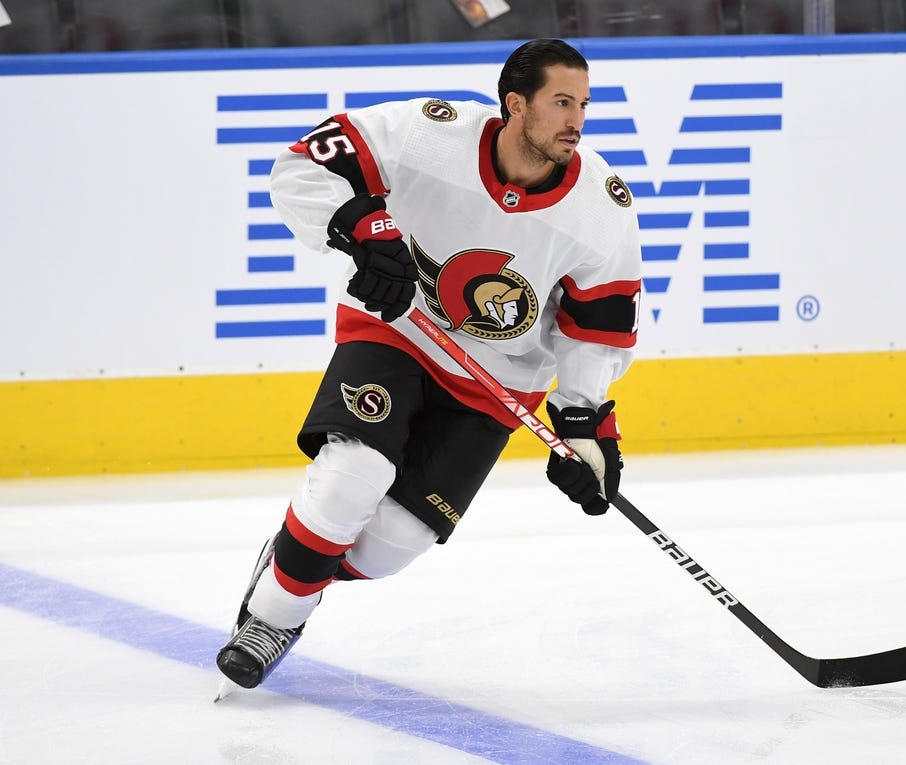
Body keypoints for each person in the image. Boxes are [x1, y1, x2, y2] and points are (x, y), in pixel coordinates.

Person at [215, 38, 642, 692]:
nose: (575, 120)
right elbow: (304, 165)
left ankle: (292, 559)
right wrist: (362, 230)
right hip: (397, 332)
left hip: (497, 386)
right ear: (515, 104)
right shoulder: (429, 134)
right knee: (354, 471)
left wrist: (584, 424)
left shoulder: (601, 208)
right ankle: (274, 616)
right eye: (560, 102)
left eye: (582, 104)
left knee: (387, 545)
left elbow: (599, 324)